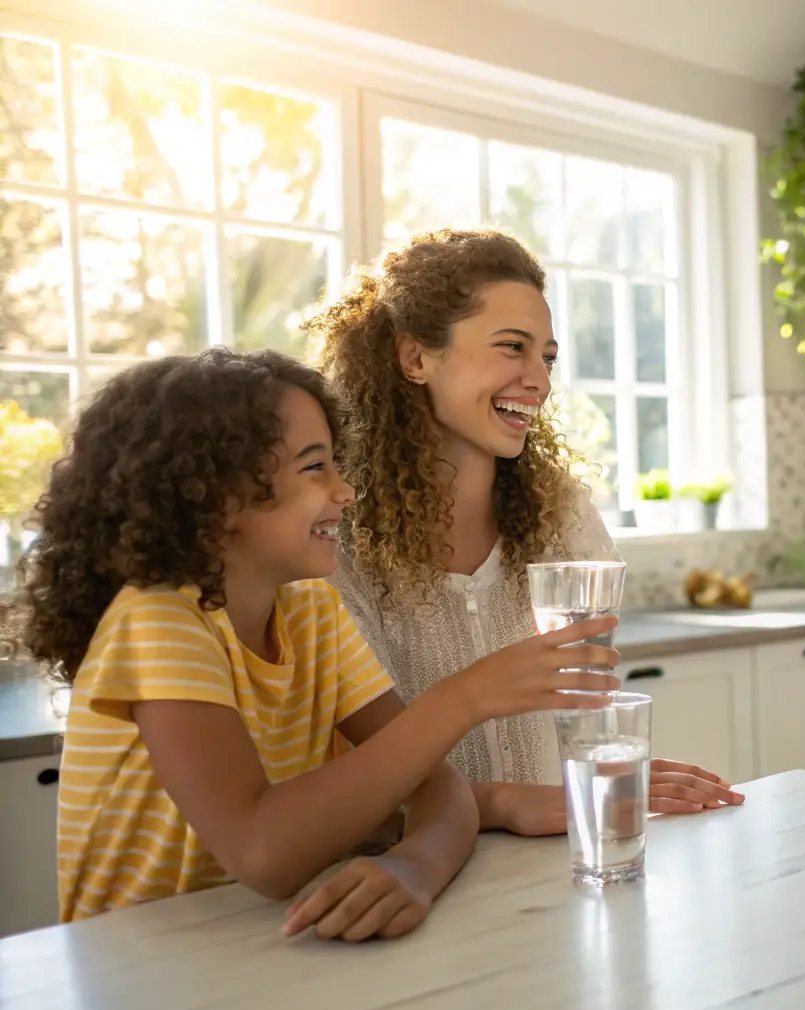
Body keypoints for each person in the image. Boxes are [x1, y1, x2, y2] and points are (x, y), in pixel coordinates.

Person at [2, 349, 619, 936]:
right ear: (216, 499)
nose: (345, 491)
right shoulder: (159, 622)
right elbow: (263, 851)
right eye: (314, 466)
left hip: (265, 946)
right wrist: (463, 699)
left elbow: (437, 787)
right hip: (143, 970)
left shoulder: (308, 610)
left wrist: (413, 867)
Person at [310, 228, 743, 836]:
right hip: (408, 877)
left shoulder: (560, 515)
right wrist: (503, 803)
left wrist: (611, 777)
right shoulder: (338, 540)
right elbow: (345, 786)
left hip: (553, 866)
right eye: (511, 347)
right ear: (414, 358)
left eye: (546, 357)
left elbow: (586, 718)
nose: (538, 379)